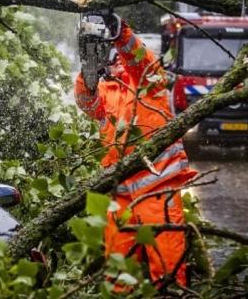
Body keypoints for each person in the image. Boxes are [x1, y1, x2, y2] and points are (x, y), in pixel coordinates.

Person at [74, 15, 197, 288]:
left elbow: (140, 57)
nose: (117, 59)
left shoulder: (149, 81)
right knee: (118, 276)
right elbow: (86, 102)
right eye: (112, 56)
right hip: (120, 197)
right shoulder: (104, 91)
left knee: (168, 272)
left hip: (158, 191)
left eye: (120, 55)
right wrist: (87, 72)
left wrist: (118, 31)